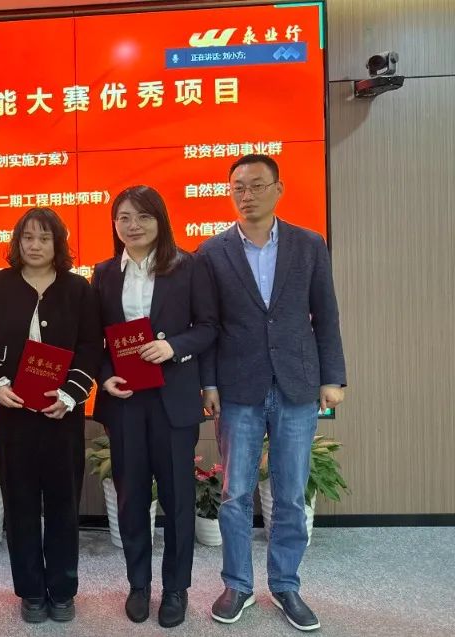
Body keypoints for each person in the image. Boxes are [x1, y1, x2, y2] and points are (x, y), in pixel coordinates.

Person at [199, 154, 346, 632]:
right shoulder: (212, 252)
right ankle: (237, 584)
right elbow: (208, 326)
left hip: (296, 384)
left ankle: (285, 584)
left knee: (290, 492)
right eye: (238, 187)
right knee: (235, 493)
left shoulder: (309, 244)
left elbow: (326, 314)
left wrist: (332, 377)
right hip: (237, 386)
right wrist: (209, 383)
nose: (247, 195)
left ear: (278, 189)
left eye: (257, 185)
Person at [0, 207, 102, 624]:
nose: (35, 245)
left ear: (58, 243)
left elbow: (91, 346)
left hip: (63, 414)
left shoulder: (78, 289)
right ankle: (29, 590)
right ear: (17, 242)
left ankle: (62, 590)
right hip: (14, 414)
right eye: (28, 237)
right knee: (21, 504)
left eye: (44, 238)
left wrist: (70, 393)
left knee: (63, 504)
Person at [93, 185, 217, 628]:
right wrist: (105, 375)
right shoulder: (104, 273)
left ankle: (176, 588)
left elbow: (208, 327)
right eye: (124, 217)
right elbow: (94, 337)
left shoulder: (188, 266)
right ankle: (139, 584)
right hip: (126, 398)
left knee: (177, 498)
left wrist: (173, 348)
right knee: (131, 498)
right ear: (114, 224)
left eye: (143, 216)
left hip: (172, 398)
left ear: (160, 220)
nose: (133, 226)